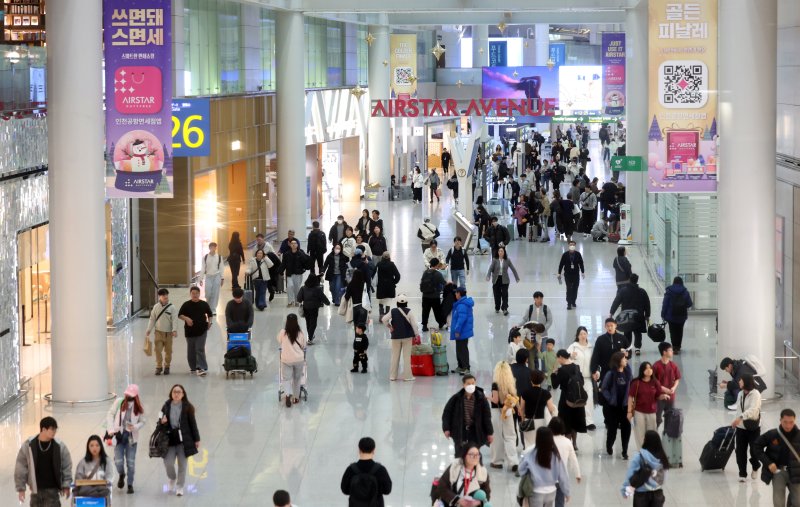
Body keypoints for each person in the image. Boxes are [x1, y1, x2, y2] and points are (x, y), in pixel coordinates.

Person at [14, 417, 73, 506]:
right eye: (52, 429)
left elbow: (66, 466)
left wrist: (66, 485)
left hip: (52, 491)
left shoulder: (59, 446)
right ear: (43, 429)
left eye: (55, 429)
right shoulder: (29, 445)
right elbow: (21, 466)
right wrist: (21, 488)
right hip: (35, 490)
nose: (54, 432)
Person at [159, 384, 200, 496]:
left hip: (183, 441)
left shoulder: (188, 407)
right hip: (169, 440)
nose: (176, 394)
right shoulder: (166, 406)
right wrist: (162, 422)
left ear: (183, 394)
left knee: (182, 465)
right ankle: (172, 478)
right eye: (174, 392)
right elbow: (159, 421)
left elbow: (193, 424)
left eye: (179, 392)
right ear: (171, 393)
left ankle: (180, 486)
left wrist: (197, 439)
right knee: (168, 463)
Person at [753, 408, 800, 505]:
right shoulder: (772, 434)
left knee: (798, 502)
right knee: (778, 502)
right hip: (778, 472)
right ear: (780, 420)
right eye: (785, 422)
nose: (788, 425)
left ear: (795, 421)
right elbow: (756, 446)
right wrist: (768, 463)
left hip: (796, 472)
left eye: (791, 422)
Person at [105, 384, 146, 494]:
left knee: (131, 462)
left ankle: (130, 484)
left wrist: (135, 427)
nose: (128, 396)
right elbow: (110, 414)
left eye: (131, 395)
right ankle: (121, 474)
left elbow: (143, 421)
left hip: (131, 438)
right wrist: (111, 429)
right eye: (127, 394)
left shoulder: (139, 406)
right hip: (119, 436)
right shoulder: (119, 402)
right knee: (118, 461)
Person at [442, 375, 494, 457]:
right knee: (459, 456)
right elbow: (447, 413)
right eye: (468, 383)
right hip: (460, 432)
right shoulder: (456, 398)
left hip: (475, 432)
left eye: (473, 383)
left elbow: (487, 417)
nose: (471, 385)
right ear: (463, 385)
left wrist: (490, 433)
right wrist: (446, 428)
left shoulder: (481, 399)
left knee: (473, 456)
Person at [519, 427, 571, 507]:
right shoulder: (555, 455)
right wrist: (567, 492)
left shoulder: (531, 454)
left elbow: (521, 470)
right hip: (551, 491)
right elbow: (563, 476)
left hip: (536, 491)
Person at [628, 362, 672, 449]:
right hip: (639, 412)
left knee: (652, 434)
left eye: (650, 368)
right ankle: (642, 452)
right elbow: (630, 397)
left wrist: (663, 396)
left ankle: (651, 452)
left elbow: (658, 395)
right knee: (640, 434)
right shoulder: (636, 383)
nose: (649, 370)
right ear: (642, 370)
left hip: (651, 412)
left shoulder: (655, 382)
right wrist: (629, 411)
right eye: (646, 368)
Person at [551, 350, 588, 450]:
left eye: (558, 358)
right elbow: (582, 382)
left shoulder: (562, 370)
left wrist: (553, 374)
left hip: (566, 399)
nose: (558, 360)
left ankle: (567, 445)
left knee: (566, 421)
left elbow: (555, 385)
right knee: (575, 421)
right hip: (577, 398)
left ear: (561, 357)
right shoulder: (576, 367)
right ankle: (574, 444)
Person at [620, 430, 670, 506]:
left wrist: (625, 491)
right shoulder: (663, 458)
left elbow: (630, 475)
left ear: (645, 441)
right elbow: (664, 478)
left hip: (641, 494)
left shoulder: (639, 456)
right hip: (657, 494)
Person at [340, 437, 393, 507]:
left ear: (359, 450)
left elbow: (345, 490)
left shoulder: (351, 469)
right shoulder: (380, 470)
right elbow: (387, 491)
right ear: (373, 450)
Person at [489, 361, 520, 472]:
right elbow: (515, 398)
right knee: (510, 436)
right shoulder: (511, 383)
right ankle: (514, 461)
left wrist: (487, 397)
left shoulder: (495, 384)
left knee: (497, 436)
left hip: (496, 412)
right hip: (508, 411)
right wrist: (519, 409)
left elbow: (496, 400)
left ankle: (497, 462)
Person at [601, 351, 633, 459]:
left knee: (626, 429)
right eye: (624, 359)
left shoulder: (628, 373)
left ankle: (624, 450)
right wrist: (610, 399)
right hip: (613, 407)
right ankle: (609, 445)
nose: (626, 360)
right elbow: (604, 389)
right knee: (612, 430)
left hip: (625, 406)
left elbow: (631, 389)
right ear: (619, 361)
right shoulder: (610, 374)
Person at [610, 273, 651, 355]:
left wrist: (611, 312)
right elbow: (647, 304)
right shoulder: (642, 292)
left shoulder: (623, 291)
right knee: (638, 332)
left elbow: (616, 301)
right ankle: (637, 348)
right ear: (637, 281)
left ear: (629, 280)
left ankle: (628, 349)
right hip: (638, 316)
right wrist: (647, 315)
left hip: (627, 316)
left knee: (627, 332)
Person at [732, 373, 763, 482]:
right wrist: (736, 421)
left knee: (754, 451)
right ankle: (742, 473)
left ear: (746, 382)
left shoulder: (756, 394)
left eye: (741, 380)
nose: (739, 382)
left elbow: (753, 410)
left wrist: (740, 417)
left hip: (753, 427)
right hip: (741, 427)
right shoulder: (740, 393)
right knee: (740, 451)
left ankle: (755, 466)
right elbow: (739, 409)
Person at [381, 294, 419, 382]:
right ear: (406, 303)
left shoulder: (393, 311)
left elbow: (383, 319)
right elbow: (414, 325)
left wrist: (390, 327)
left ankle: (393, 376)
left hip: (395, 337)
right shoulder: (409, 311)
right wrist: (416, 335)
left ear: (397, 302)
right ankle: (408, 376)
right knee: (406, 357)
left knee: (395, 356)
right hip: (407, 337)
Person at [178, 286, 213, 376]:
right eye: (193, 293)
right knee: (191, 350)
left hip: (202, 330)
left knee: (199, 348)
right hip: (190, 331)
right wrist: (186, 318)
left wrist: (210, 322)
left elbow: (210, 314)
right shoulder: (186, 304)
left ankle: (201, 367)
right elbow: (180, 315)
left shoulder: (204, 304)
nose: (195, 295)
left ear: (199, 294)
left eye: (197, 293)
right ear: (190, 294)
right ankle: (193, 367)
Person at [519, 370, 558, 449]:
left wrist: (523, 420)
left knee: (529, 444)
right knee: (541, 443)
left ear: (531, 379)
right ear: (542, 380)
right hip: (542, 421)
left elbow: (521, 409)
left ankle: (530, 460)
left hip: (528, 421)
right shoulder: (546, 393)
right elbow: (551, 409)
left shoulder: (525, 393)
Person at [567, 327, 596, 430]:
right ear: (577, 336)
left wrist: (597, 372)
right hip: (576, 378)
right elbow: (566, 360)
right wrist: (571, 356)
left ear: (587, 334)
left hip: (587, 378)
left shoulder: (591, 347)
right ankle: (578, 420)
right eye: (581, 334)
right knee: (577, 399)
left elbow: (595, 363)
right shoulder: (573, 347)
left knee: (589, 399)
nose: (583, 336)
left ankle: (589, 421)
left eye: (584, 333)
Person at [146, 288, 180, 375]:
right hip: (158, 332)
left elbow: (175, 320)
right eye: (163, 295)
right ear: (159, 297)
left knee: (168, 351)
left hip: (168, 334)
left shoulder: (172, 308)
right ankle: (158, 366)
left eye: (166, 295)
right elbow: (152, 319)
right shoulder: (156, 307)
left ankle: (167, 366)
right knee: (157, 350)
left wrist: (174, 330)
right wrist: (149, 329)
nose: (165, 296)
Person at [549, 418, 581, 507]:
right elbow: (573, 459)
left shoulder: (547, 441)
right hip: (562, 478)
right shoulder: (567, 442)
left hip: (548, 477)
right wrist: (577, 474)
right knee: (560, 502)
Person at [590, 318, 631, 387]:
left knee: (621, 389)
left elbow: (629, 351)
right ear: (605, 327)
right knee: (605, 388)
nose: (609, 327)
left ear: (616, 325)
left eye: (611, 325)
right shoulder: (600, 339)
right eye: (607, 326)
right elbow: (595, 355)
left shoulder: (622, 338)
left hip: (620, 369)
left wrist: (627, 354)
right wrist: (593, 370)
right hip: (605, 370)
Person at [277, 314, 307, 407]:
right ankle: (296, 397)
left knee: (286, 379)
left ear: (286, 322)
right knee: (297, 379)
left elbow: (279, 340)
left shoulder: (283, 332)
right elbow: (304, 345)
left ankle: (287, 395)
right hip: (298, 359)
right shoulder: (301, 333)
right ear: (297, 322)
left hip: (286, 359)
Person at [660, 276, 693, 354]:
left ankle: (674, 347)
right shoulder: (685, 291)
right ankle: (678, 346)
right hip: (682, 315)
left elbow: (665, 304)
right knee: (680, 330)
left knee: (673, 331)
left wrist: (663, 314)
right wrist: (683, 305)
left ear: (673, 282)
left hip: (671, 316)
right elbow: (689, 304)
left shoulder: (669, 291)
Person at [652, 342, 681, 428]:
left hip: (671, 397)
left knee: (669, 418)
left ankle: (666, 437)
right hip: (659, 397)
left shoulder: (673, 365)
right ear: (664, 352)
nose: (672, 351)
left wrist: (674, 388)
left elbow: (677, 379)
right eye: (670, 350)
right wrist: (663, 389)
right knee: (657, 418)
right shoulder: (656, 366)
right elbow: (654, 381)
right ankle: (654, 435)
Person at [486, 246, 520, 316]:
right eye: (499, 251)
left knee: (505, 294)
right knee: (497, 295)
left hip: (505, 280)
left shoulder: (507, 260)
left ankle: (505, 308)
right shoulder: (495, 260)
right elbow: (490, 268)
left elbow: (513, 269)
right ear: (498, 252)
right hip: (496, 279)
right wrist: (488, 276)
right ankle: (497, 307)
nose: (501, 252)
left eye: (502, 251)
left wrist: (517, 277)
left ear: (504, 252)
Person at [296, 274, 330, 344]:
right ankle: (310, 338)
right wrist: (328, 303)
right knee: (313, 323)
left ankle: (310, 336)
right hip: (314, 308)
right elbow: (323, 297)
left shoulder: (303, 288)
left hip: (306, 308)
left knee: (308, 322)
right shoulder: (317, 289)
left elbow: (299, 299)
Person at [278, 239, 311, 307]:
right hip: (289, 274)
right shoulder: (286, 254)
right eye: (292, 243)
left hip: (298, 274)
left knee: (297, 288)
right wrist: (280, 272)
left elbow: (306, 261)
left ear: (297, 245)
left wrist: (305, 269)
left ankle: (297, 301)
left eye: (295, 243)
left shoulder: (301, 253)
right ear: (290, 245)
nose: (293, 244)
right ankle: (290, 302)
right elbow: (283, 264)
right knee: (290, 287)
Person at [451, 287, 475, 375]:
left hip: (462, 331)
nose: (455, 294)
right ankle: (460, 366)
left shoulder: (462, 305)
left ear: (459, 294)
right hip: (462, 331)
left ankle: (466, 367)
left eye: (456, 293)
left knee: (462, 349)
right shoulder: (460, 304)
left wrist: (457, 330)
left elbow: (462, 319)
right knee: (459, 348)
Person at [420, 258, 447, 331]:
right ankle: (440, 323)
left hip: (425, 296)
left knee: (425, 311)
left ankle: (424, 326)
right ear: (437, 264)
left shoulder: (425, 272)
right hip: (435, 296)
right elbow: (444, 283)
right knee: (437, 311)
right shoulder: (438, 274)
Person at [557, 240, 585, 310]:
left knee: (575, 289)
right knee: (569, 289)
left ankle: (573, 301)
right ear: (568, 246)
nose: (572, 246)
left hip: (576, 275)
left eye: (573, 245)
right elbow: (561, 264)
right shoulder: (565, 255)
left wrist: (582, 272)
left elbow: (581, 263)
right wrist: (559, 273)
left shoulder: (578, 254)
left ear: (575, 246)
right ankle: (569, 303)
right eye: (570, 245)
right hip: (567, 274)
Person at [201, 242, 223, 315]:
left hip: (217, 276)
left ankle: (213, 309)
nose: (213, 248)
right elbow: (203, 268)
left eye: (214, 247)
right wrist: (201, 278)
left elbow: (221, 268)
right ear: (209, 248)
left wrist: (222, 278)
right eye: (211, 247)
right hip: (208, 276)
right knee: (208, 293)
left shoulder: (219, 257)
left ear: (216, 248)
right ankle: (208, 306)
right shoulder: (205, 257)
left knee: (215, 293)